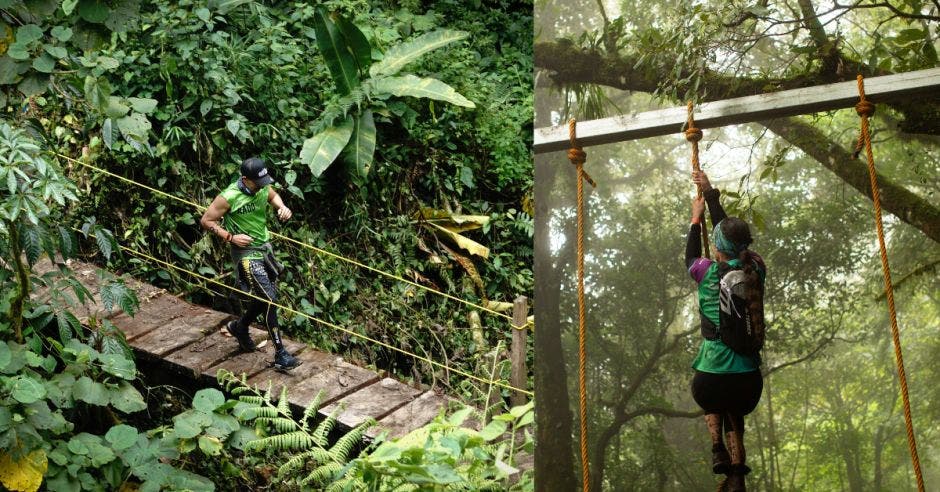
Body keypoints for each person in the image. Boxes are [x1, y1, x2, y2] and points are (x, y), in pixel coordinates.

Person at [685, 170, 765, 492]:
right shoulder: (756, 269)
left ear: (716, 246)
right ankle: (736, 467)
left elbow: (691, 255)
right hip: (748, 385)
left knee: (715, 398)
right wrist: (712, 196)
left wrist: (696, 217)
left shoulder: (704, 272)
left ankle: (716, 444)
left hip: (710, 383)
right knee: (735, 408)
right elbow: (731, 236)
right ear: (746, 247)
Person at [200, 157, 301, 372]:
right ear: (245, 180)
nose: (264, 185)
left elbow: (274, 197)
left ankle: (240, 326)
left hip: (264, 249)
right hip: (245, 254)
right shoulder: (229, 196)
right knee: (270, 299)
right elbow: (206, 220)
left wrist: (282, 208)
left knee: (264, 298)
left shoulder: (263, 186)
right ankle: (281, 354)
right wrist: (230, 237)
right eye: (259, 182)